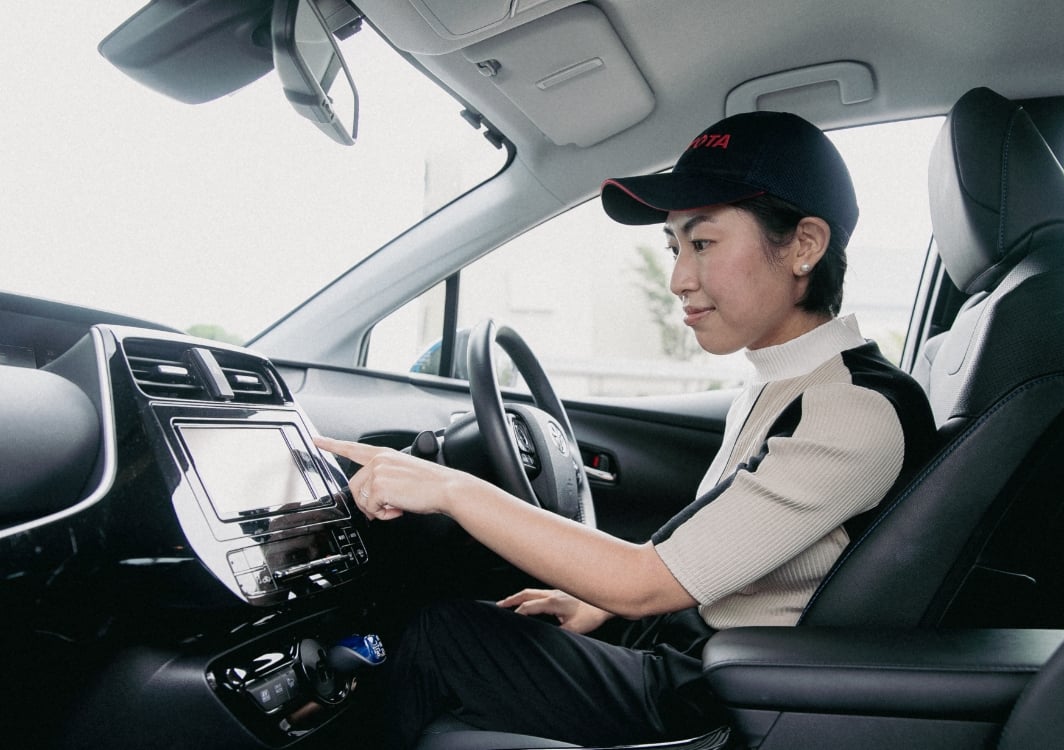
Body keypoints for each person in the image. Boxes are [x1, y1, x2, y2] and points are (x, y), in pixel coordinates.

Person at [314, 110, 936, 749]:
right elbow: (711, 553)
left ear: (804, 246)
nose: (679, 279)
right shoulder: (785, 381)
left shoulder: (851, 408)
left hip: (723, 701)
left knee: (439, 638)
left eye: (703, 243)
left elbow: (645, 582)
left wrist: (450, 488)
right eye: (674, 248)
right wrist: (596, 603)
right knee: (477, 621)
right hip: (700, 656)